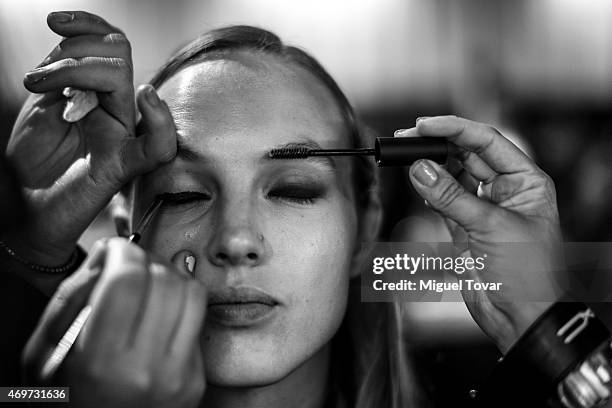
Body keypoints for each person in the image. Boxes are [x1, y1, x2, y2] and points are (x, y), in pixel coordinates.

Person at [3, 11, 567, 408]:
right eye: (183, 193)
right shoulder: (49, 392)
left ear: (364, 231)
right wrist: (24, 254)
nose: (236, 239)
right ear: (130, 230)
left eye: (293, 189)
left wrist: (543, 327)